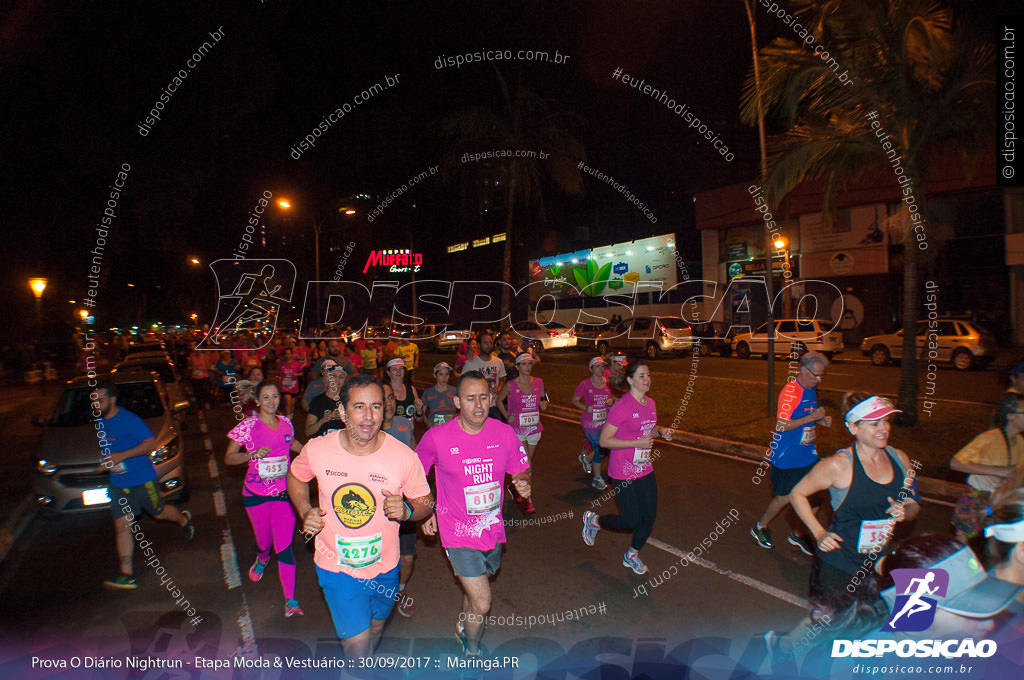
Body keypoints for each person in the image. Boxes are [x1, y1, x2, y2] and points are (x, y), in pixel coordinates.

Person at [287, 375, 434, 658]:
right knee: (357, 649)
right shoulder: (318, 449)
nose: (368, 416)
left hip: (385, 567)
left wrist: (408, 510)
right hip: (337, 568)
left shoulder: (403, 457)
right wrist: (305, 510)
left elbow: (426, 501)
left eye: (376, 407)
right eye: (359, 407)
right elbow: (296, 476)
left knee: (376, 629)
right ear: (342, 412)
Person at [416, 370, 532, 656]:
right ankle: (472, 649)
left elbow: (522, 469)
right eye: (470, 398)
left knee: (475, 591)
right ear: (457, 402)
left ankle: (463, 624)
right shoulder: (437, 437)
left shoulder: (504, 433)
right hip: (456, 532)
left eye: (483, 397)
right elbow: (414, 474)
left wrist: (523, 484)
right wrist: (425, 509)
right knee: (482, 602)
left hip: (492, 530)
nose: (478, 405)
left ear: (492, 398)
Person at [789, 393, 920, 602]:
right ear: (853, 428)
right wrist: (819, 533)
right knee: (829, 628)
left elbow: (913, 502)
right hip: (840, 564)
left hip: (879, 562)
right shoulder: (838, 465)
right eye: (874, 424)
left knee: (875, 627)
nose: (883, 429)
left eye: (886, 422)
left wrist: (905, 511)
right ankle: (777, 637)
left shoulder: (900, 459)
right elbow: (797, 493)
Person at [96, 381, 194, 589]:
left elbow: (149, 443)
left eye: (100, 399)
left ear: (112, 399)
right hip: (119, 483)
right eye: (94, 400)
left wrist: (122, 456)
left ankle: (183, 520)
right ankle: (127, 574)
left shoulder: (129, 420)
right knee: (122, 525)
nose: (96, 403)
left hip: (142, 479)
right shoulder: (100, 423)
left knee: (158, 513)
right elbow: (111, 449)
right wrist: (105, 463)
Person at [582, 361, 673, 576]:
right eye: (641, 376)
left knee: (649, 517)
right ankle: (594, 521)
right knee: (630, 520)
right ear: (630, 380)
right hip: (623, 471)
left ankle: (631, 555)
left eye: (648, 375)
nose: (647, 379)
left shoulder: (650, 403)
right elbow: (605, 441)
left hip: (644, 468)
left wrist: (661, 432)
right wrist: (636, 443)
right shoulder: (621, 407)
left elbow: (647, 431)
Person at [225, 381, 305, 616]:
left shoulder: (287, 423)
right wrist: (251, 454)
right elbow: (229, 458)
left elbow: (294, 445)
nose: (272, 401)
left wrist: (315, 452)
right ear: (258, 401)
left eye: (275, 396)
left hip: (283, 494)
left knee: (285, 547)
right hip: (255, 495)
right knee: (264, 542)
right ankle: (262, 557)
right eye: (267, 398)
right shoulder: (248, 426)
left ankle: (290, 600)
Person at [751, 351, 832, 556]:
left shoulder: (811, 388)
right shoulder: (790, 392)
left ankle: (798, 533)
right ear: (803, 370)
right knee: (784, 498)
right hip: (786, 457)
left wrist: (820, 421)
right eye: (816, 374)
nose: (819, 379)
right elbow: (781, 425)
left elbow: (805, 416)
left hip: (808, 455)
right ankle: (760, 527)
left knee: (817, 497)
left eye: (822, 375)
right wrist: (812, 417)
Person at [950, 393, 1024, 543]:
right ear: (1011, 417)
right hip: (977, 499)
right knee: (962, 547)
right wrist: (1000, 471)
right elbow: (956, 463)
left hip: (1001, 501)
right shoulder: (989, 438)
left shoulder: (1020, 442)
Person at [381, 382, 418, 618]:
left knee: (407, 558)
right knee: (382, 557)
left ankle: (399, 591)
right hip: (376, 510)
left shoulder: (404, 425)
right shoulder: (367, 430)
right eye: (384, 398)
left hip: (404, 506)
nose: (390, 402)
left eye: (392, 397)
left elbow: (418, 457)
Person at [496, 353, 547, 514]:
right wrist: (506, 414)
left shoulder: (539, 382)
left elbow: (544, 399)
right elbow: (498, 400)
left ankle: (514, 486)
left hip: (534, 427)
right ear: (517, 367)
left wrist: (544, 404)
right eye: (524, 364)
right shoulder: (511, 385)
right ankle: (528, 499)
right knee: (527, 463)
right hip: (517, 429)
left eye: (530, 364)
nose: (527, 367)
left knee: (528, 461)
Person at [573, 357, 615, 491]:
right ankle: (597, 478)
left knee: (605, 447)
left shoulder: (608, 382)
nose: (601, 369)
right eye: (597, 366)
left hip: (605, 422)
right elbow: (574, 400)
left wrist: (611, 400)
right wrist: (585, 407)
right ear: (591, 369)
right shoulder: (584, 384)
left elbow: (615, 396)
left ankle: (587, 459)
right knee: (600, 447)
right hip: (589, 423)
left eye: (602, 366)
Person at [461, 331, 506, 421]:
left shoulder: (498, 362)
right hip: (477, 406)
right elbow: (462, 384)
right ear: (479, 344)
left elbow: (502, 377)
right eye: (485, 343)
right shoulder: (470, 364)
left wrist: (500, 386)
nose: (488, 345)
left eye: (490, 342)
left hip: (493, 406)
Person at [305, 360, 347, 439]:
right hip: (323, 445)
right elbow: (308, 431)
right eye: (333, 376)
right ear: (326, 380)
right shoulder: (317, 401)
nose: (337, 379)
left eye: (341, 377)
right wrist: (322, 421)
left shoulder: (348, 401)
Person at [386, 358, 423, 426]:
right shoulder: (385, 391)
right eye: (394, 369)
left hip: (408, 435)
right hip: (390, 434)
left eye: (401, 368)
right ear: (388, 372)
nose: (398, 371)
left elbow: (419, 419)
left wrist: (419, 410)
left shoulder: (411, 390)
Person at [422, 361, 459, 428]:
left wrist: (454, 416)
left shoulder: (455, 391)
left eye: (447, 374)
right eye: (441, 374)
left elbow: (465, 411)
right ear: (435, 376)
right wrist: (429, 423)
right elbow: (422, 413)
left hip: (451, 428)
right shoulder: (428, 393)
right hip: (434, 429)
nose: (444, 378)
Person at [276, 347, 303, 418]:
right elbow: (278, 374)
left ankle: (290, 417)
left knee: (292, 405)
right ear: (284, 355)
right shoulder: (281, 363)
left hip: (293, 386)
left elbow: (301, 373)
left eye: (289, 354)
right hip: (284, 386)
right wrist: (279, 378)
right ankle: (288, 420)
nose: (288, 356)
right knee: (287, 402)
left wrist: (296, 374)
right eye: (286, 354)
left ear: (292, 354)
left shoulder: (296, 363)